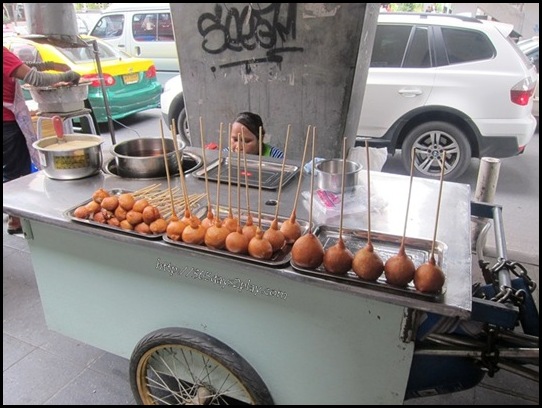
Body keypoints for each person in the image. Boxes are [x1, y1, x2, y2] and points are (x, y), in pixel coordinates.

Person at [3, 46, 81, 234]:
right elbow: (35, 79)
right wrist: (68, 76)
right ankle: (15, 219)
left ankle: (16, 215)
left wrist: (49, 64)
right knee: (15, 174)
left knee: (11, 171)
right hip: (6, 123)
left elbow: (18, 65)